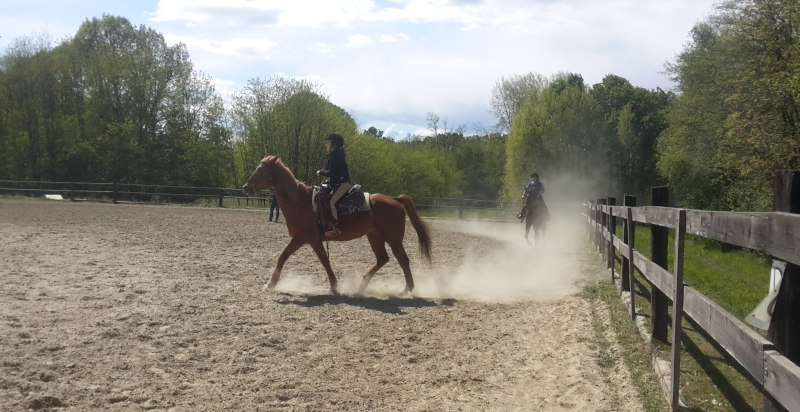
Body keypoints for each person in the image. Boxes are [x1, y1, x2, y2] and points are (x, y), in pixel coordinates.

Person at [316, 133, 351, 238]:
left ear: (333, 145)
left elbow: (330, 172)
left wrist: (320, 172)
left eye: (328, 143)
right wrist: (327, 182)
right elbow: (334, 175)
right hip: (337, 183)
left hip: (343, 184)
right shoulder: (334, 155)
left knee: (331, 202)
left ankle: (335, 228)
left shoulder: (335, 156)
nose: (326, 145)